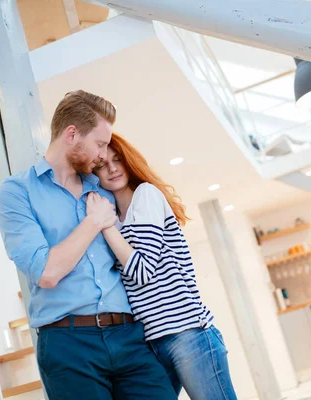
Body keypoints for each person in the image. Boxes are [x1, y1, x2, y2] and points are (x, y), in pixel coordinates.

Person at [0, 90, 177, 400]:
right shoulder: (16, 192)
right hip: (68, 344)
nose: (104, 155)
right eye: (100, 143)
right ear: (71, 135)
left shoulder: (105, 190)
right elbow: (47, 272)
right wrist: (93, 222)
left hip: (129, 335)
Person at [92, 133, 238, 400]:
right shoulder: (115, 216)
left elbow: (143, 271)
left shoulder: (145, 196)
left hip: (187, 333)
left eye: (118, 160)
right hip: (150, 342)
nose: (112, 168)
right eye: (102, 164)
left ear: (129, 162)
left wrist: (105, 226)